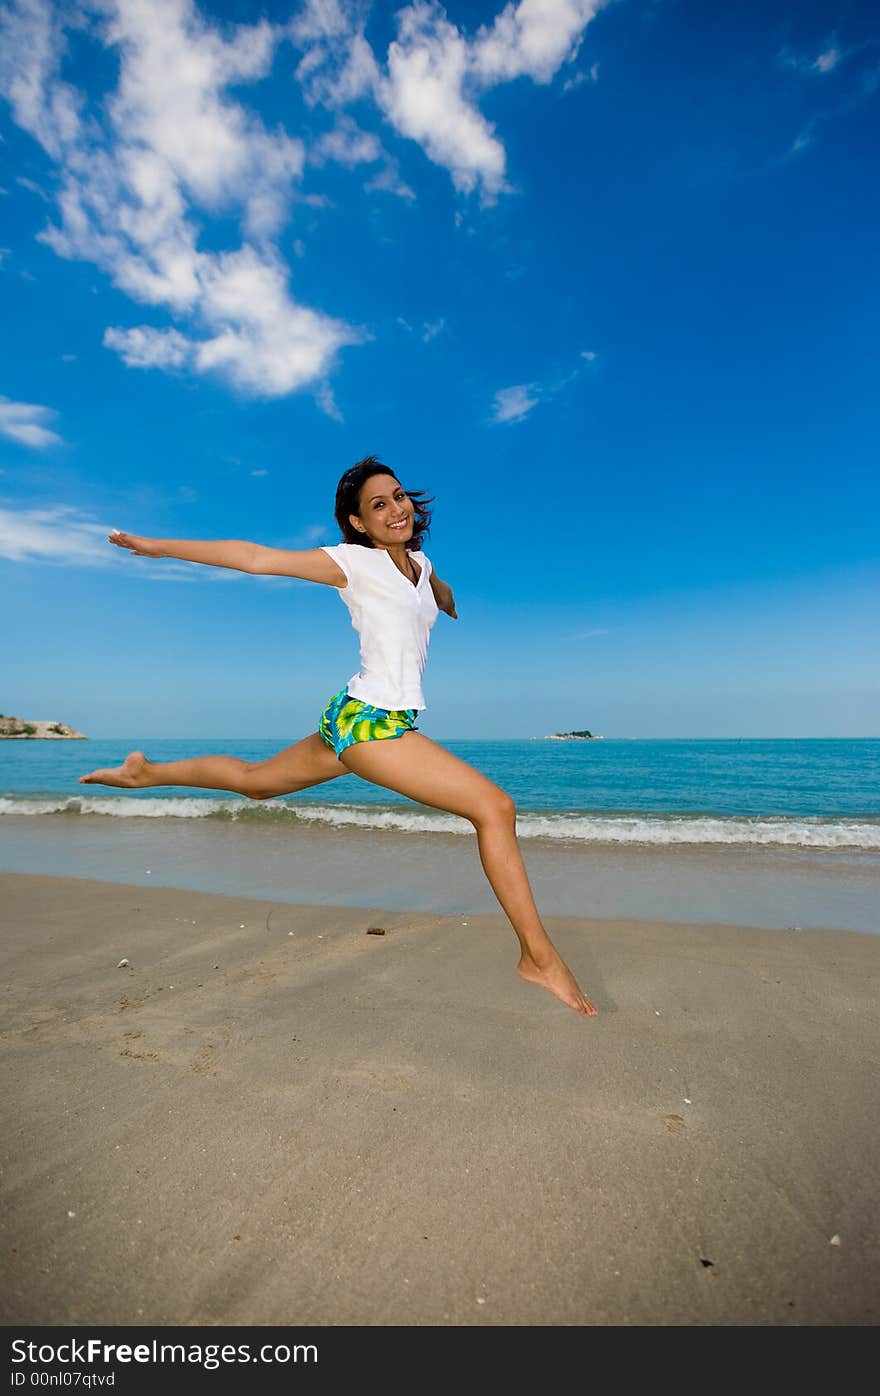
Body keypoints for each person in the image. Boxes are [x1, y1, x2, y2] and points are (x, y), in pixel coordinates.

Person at [79, 456, 597, 1017]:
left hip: (358, 717)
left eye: (398, 497)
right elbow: (255, 557)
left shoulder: (420, 564)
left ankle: (145, 772)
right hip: (368, 725)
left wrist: (443, 599)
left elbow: (434, 587)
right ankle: (538, 958)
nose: (396, 509)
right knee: (495, 808)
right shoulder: (351, 564)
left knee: (257, 783)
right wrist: (158, 547)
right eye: (379, 505)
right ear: (357, 523)